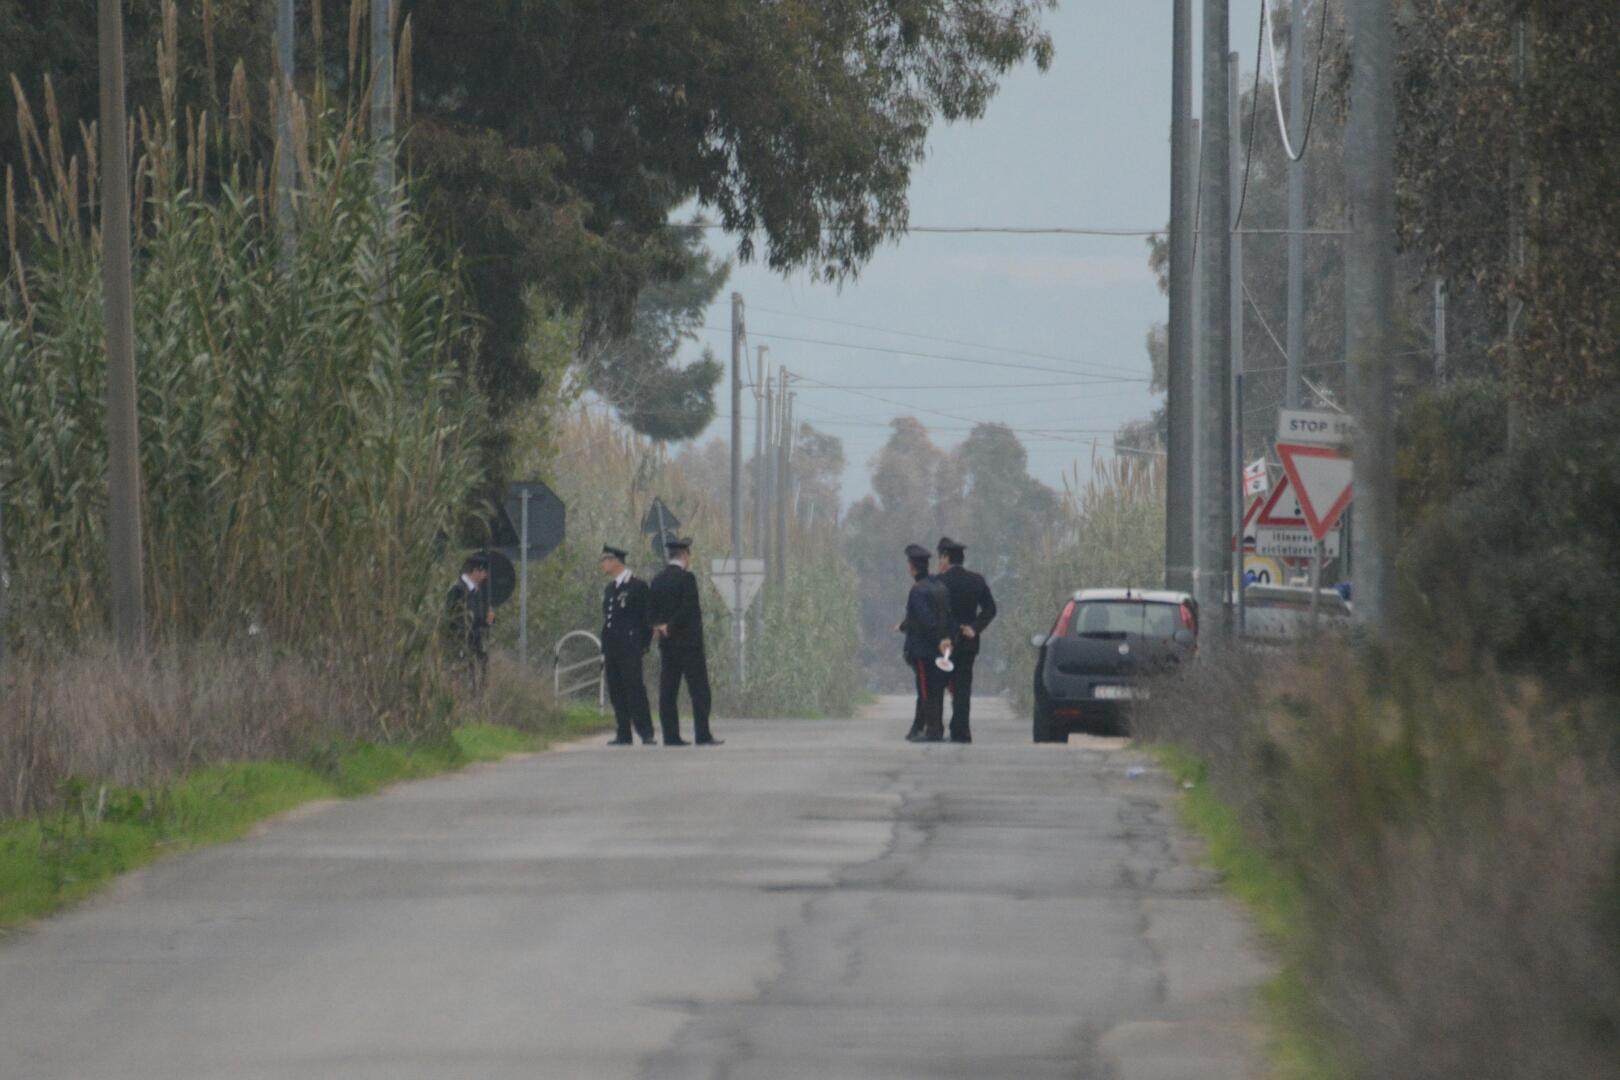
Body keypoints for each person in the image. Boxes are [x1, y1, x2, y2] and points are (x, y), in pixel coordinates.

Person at [649, 537, 723, 747]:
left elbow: (651, 608)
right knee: (699, 690)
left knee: (668, 691)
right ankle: (702, 734)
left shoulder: (657, 579)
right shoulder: (687, 579)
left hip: (667, 644)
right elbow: (688, 608)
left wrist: (659, 626)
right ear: (685, 556)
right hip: (689, 645)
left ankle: (670, 736)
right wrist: (671, 625)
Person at [936, 537, 997, 744]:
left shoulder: (939, 582)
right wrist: (974, 627)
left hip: (945, 643)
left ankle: (935, 728)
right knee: (963, 688)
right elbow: (991, 608)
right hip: (968, 642)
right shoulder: (976, 580)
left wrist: (944, 635)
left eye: (940, 558)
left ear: (946, 558)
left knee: (938, 686)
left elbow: (937, 613)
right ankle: (961, 731)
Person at [599, 544, 657, 746]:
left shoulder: (637, 586)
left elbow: (647, 618)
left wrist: (643, 644)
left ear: (615, 561)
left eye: (605, 560)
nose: (602, 564)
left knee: (634, 689)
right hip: (612, 646)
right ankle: (623, 732)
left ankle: (646, 731)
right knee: (616, 690)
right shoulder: (610, 588)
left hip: (630, 646)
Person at [897, 542, 951, 742]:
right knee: (936, 688)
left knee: (926, 689)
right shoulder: (939, 586)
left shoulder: (918, 591)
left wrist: (938, 640)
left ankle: (932, 731)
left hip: (923, 649)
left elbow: (924, 619)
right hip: (940, 648)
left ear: (912, 567)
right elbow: (945, 616)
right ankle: (928, 727)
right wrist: (946, 639)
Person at [445, 554, 494, 691]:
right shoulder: (458, 590)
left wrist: (487, 621)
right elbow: (450, 616)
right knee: (461, 678)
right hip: (460, 643)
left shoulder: (476, 591)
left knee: (474, 677)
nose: (485, 576)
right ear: (476, 571)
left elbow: (477, 617)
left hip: (473, 643)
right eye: (484, 572)